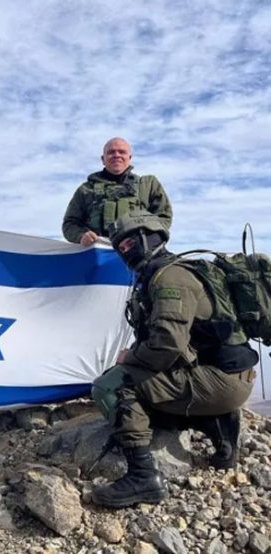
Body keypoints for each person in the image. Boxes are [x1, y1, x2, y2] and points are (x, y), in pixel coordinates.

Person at [90, 212, 257, 508]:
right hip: (226, 376)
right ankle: (217, 423)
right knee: (137, 382)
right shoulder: (164, 272)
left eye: (129, 244)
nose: (125, 252)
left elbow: (167, 344)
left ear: (149, 238)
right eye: (121, 248)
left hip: (222, 381)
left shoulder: (169, 278)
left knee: (112, 387)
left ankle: (143, 477)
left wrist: (129, 359)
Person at [62, 137, 173, 246]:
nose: (116, 155)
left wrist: (144, 239)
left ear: (129, 158)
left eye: (122, 152)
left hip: (138, 252)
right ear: (103, 159)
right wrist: (81, 236)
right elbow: (69, 224)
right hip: (98, 252)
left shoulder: (148, 185)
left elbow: (163, 218)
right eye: (111, 152)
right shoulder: (85, 190)